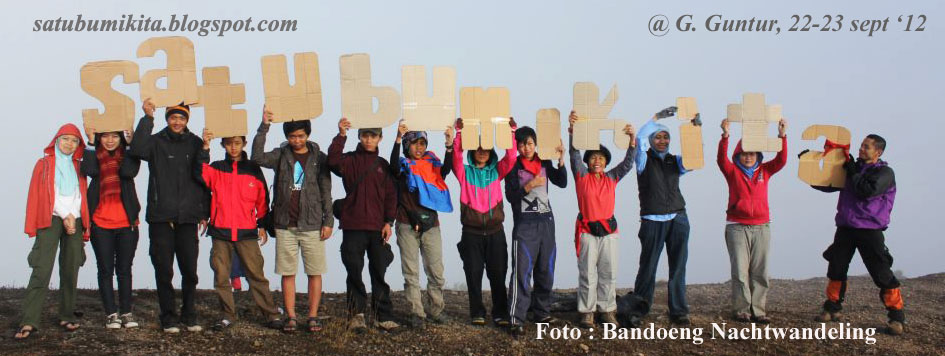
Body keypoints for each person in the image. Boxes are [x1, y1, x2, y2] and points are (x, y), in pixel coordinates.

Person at [129, 99, 210, 333]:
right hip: (160, 217)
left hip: (188, 217)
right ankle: (168, 317)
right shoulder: (155, 141)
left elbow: (202, 177)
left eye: (181, 118)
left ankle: (189, 314)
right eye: (173, 117)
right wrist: (147, 118)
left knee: (189, 271)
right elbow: (137, 150)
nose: (177, 121)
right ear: (167, 119)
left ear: (187, 120)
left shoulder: (196, 143)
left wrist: (205, 149)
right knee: (163, 270)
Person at [811, 134, 904, 335]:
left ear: (878, 152)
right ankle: (831, 309)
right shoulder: (854, 169)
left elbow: (867, 191)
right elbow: (830, 185)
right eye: (861, 145)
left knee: (881, 272)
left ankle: (896, 317)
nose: (861, 149)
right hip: (846, 227)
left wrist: (853, 172)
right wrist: (811, 174)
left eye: (866, 147)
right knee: (836, 267)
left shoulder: (885, 172)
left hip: (870, 229)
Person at [251, 107, 333, 333]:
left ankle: (313, 315)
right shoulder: (281, 154)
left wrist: (329, 221)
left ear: (308, 134)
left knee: (314, 271)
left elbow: (326, 190)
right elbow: (257, 157)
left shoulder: (319, 158)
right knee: (288, 272)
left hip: (313, 223)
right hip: (285, 223)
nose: (297, 140)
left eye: (301, 135)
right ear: (287, 136)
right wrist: (264, 126)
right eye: (292, 136)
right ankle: (291, 316)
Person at [197, 130, 284, 331]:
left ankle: (271, 314)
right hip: (220, 231)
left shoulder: (253, 169)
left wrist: (262, 224)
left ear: (244, 143)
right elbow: (200, 173)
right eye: (228, 143)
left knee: (256, 274)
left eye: (237, 142)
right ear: (223, 145)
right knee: (221, 276)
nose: (233, 147)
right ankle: (227, 315)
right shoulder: (217, 168)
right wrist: (205, 146)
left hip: (247, 231)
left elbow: (262, 199)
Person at [622, 106, 694, 327]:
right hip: (653, 220)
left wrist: (695, 127)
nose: (662, 141)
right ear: (651, 140)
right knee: (648, 267)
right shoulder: (643, 160)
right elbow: (641, 136)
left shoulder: (675, 161)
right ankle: (639, 309)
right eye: (658, 137)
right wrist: (655, 118)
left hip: (678, 218)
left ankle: (679, 310)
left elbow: (694, 156)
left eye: (666, 137)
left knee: (678, 266)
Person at [17, 123, 90, 340]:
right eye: (65, 139)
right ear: (57, 141)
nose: (69, 144)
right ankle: (29, 320)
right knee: (41, 268)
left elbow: (80, 193)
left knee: (71, 267)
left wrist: (72, 216)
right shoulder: (45, 164)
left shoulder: (80, 165)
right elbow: (47, 193)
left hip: (74, 219)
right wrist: (65, 215)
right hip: (50, 218)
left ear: (79, 144)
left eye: (74, 140)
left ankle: (66, 314)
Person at [328, 118, 399, 332]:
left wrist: (389, 222)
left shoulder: (383, 165)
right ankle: (356, 316)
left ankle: (382, 316)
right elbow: (331, 161)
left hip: (377, 227)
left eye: (373, 136)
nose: (369, 140)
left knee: (379, 272)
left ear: (380, 138)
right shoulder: (349, 160)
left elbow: (390, 196)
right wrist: (341, 135)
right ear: (359, 136)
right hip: (353, 225)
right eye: (365, 135)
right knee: (354, 272)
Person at [567, 111, 635, 329]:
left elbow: (627, 164)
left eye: (601, 158)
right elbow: (574, 153)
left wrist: (632, 143)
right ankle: (587, 312)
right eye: (593, 157)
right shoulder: (581, 176)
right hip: (587, 231)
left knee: (609, 272)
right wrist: (573, 130)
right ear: (588, 162)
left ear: (606, 162)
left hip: (609, 232)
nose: (597, 161)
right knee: (587, 273)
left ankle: (606, 310)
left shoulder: (612, 177)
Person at [717, 118, 788, 324]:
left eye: (752, 154)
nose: (748, 157)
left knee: (760, 270)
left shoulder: (765, 171)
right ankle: (742, 310)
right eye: (744, 154)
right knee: (740, 270)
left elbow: (781, 161)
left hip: (762, 226)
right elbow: (721, 160)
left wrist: (782, 135)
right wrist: (725, 135)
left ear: (758, 155)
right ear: (738, 155)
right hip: (737, 226)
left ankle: (758, 310)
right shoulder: (732, 172)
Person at [451, 117, 518, 328]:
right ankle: (477, 312)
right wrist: (460, 133)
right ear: (473, 150)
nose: (482, 152)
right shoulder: (464, 172)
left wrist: (511, 131)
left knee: (498, 273)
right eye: (478, 148)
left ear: (491, 152)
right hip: (471, 233)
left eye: (486, 149)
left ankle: (500, 313)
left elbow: (511, 157)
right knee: (473, 274)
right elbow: (456, 156)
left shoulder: (497, 171)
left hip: (495, 231)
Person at [389, 120, 455, 328]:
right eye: (415, 143)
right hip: (407, 224)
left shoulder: (432, 165)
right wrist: (398, 138)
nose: (419, 148)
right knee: (411, 272)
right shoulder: (402, 166)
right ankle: (416, 313)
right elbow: (392, 165)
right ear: (408, 145)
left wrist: (449, 145)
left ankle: (436, 310)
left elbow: (447, 169)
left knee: (436, 271)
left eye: (422, 143)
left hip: (431, 225)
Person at [504, 126, 568, 336]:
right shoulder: (513, 166)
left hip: (546, 221)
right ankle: (516, 317)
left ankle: (541, 311)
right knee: (522, 272)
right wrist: (529, 186)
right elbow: (511, 196)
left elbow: (562, 182)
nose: (526, 148)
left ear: (536, 144)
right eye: (522, 144)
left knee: (545, 269)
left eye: (530, 143)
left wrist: (560, 158)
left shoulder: (544, 161)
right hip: (525, 224)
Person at [81, 126, 142, 329]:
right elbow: (89, 171)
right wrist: (90, 143)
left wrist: (131, 144)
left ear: (120, 138)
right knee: (105, 270)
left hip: (127, 223)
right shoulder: (94, 156)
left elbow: (128, 172)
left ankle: (126, 312)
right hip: (101, 223)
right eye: (105, 136)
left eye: (114, 136)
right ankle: (111, 314)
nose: (109, 140)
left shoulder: (128, 156)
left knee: (124, 270)